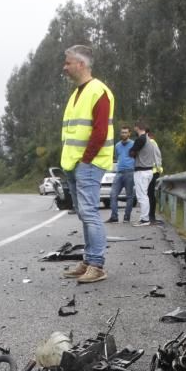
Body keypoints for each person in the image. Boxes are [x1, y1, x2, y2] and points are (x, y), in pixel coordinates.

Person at [59, 44, 114, 284]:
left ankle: (97, 265)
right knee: (84, 213)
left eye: (68, 63)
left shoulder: (98, 90)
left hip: (89, 163)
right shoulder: (77, 92)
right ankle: (88, 260)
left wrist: (86, 159)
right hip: (74, 163)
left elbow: (100, 131)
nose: (65, 67)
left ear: (81, 64)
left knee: (90, 212)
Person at [129, 120, 160, 226]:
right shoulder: (149, 140)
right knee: (144, 195)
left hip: (141, 171)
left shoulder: (141, 139)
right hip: (149, 170)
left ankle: (144, 219)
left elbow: (131, 152)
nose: (134, 129)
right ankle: (145, 218)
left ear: (137, 127)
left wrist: (133, 152)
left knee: (142, 196)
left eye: (135, 127)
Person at [107, 126, 135, 223]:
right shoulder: (117, 145)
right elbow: (117, 157)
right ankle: (114, 217)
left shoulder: (133, 144)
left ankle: (127, 217)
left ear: (129, 133)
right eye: (122, 132)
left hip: (130, 172)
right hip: (119, 173)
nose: (123, 134)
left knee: (129, 196)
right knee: (113, 194)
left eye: (125, 132)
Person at [146, 129, 163, 223]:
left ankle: (151, 216)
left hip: (153, 172)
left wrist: (159, 168)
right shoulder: (150, 142)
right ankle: (150, 215)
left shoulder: (151, 142)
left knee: (150, 194)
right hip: (150, 171)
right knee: (149, 194)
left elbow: (157, 156)